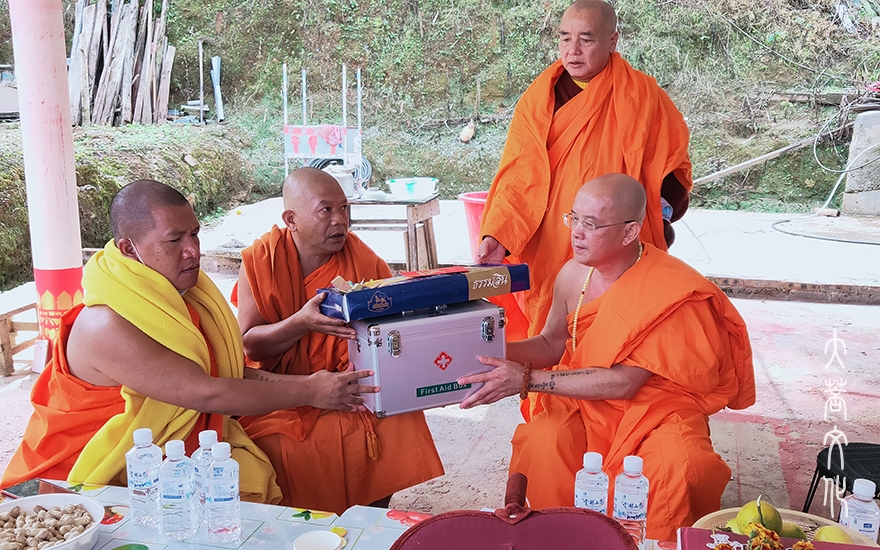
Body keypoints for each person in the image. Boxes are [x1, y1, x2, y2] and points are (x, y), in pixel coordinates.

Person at [1, 180, 376, 503]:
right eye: (174, 240)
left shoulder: (183, 295)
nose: (193, 250)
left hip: (176, 454)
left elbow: (227, 372)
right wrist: (310, 391)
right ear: (129, 249)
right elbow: (207, 392)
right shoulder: (106, 323)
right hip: (87, 479)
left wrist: (318, 386)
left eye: (194, 234)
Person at [459, 174, 755, 541]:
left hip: (656, 407)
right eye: (574, 219)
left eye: (592, 224)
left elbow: (626, 382)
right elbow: (552, 343)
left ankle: (650, 543)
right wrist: (487, 353)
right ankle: (554, 539)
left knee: (678, 464)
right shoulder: (573, 274)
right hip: (581, 397)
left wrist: (525, 378)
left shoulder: (670, 288)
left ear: (630, 232)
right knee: (543, 440)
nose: (577, 233)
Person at [233, 167, 444, 514]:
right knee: (279, 444)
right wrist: (300, 323)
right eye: (326, 210)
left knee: (398, 415)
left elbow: (389, 336)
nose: (340, 220)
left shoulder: (364, 262)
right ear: (291, 219)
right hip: (283, 391)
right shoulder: (262, 261)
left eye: (344, 208)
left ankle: (370, 517)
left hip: (350, 382)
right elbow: (251, 345)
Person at [477, 0, 693, 338]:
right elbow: (520, 175)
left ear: (612, 41)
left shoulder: (642, 97)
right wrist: (499, 235)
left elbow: (670, 171)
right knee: (550, 333)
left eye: (586, 39)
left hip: (613, 249)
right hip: (550, 243)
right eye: (565, 38)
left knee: (612, 337)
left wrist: (659, 215)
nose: (573, 50)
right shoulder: (539, 99)